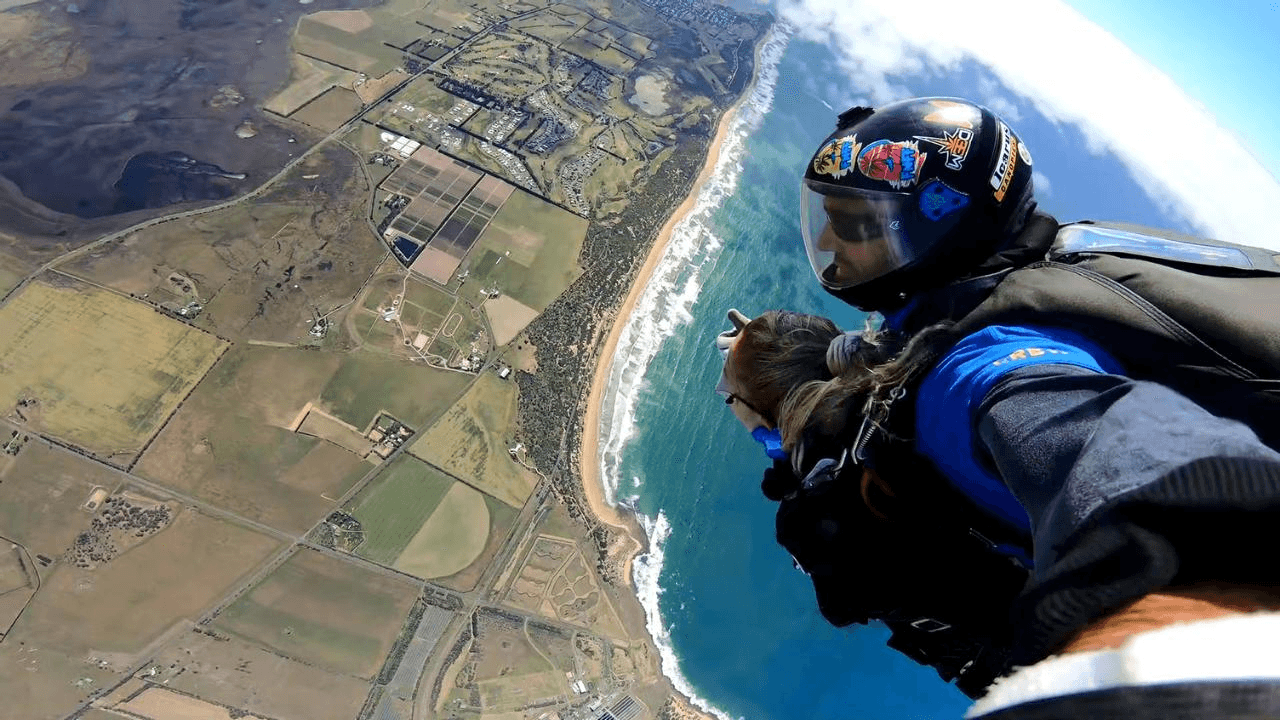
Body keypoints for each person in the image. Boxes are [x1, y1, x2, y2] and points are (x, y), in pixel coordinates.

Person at [758, 96, 1280, 714]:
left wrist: (1166, 682)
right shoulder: (1062, 264)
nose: (825, 238)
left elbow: (1150, 473)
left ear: (930, 233)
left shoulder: (980, 373)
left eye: (853, 223)